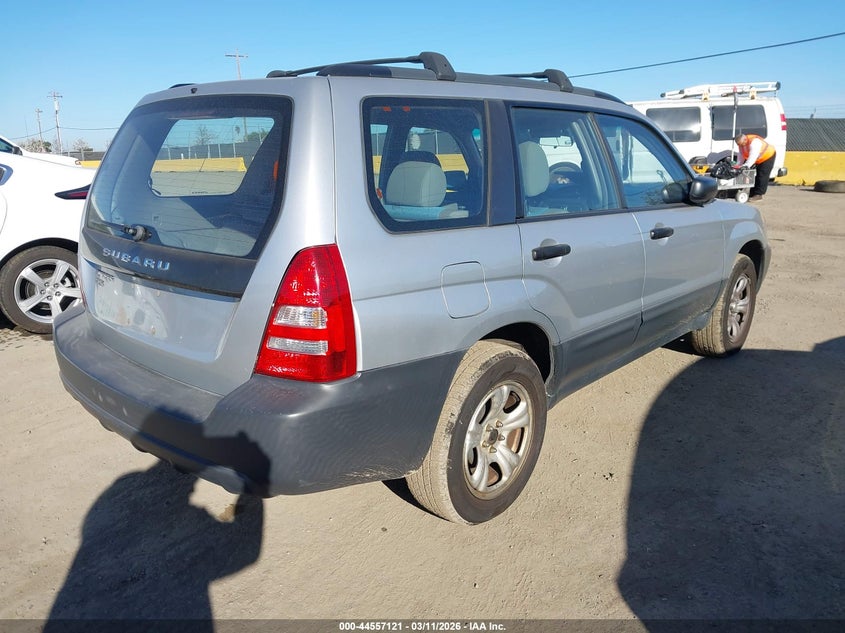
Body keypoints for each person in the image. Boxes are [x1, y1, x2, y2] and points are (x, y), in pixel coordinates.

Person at [734, 133, 777, 201]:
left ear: (745, 140)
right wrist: (738, 165)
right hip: (759, 158)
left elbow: (753, 155)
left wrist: (746, 165)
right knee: (755, 175)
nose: (740, 146)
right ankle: (752, 193)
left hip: (768, 156)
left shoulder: (754, 142)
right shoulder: (741, 144)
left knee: (762, 175)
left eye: (741, 144)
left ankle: (758, 194)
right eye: (739, 145)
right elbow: (741, 155)